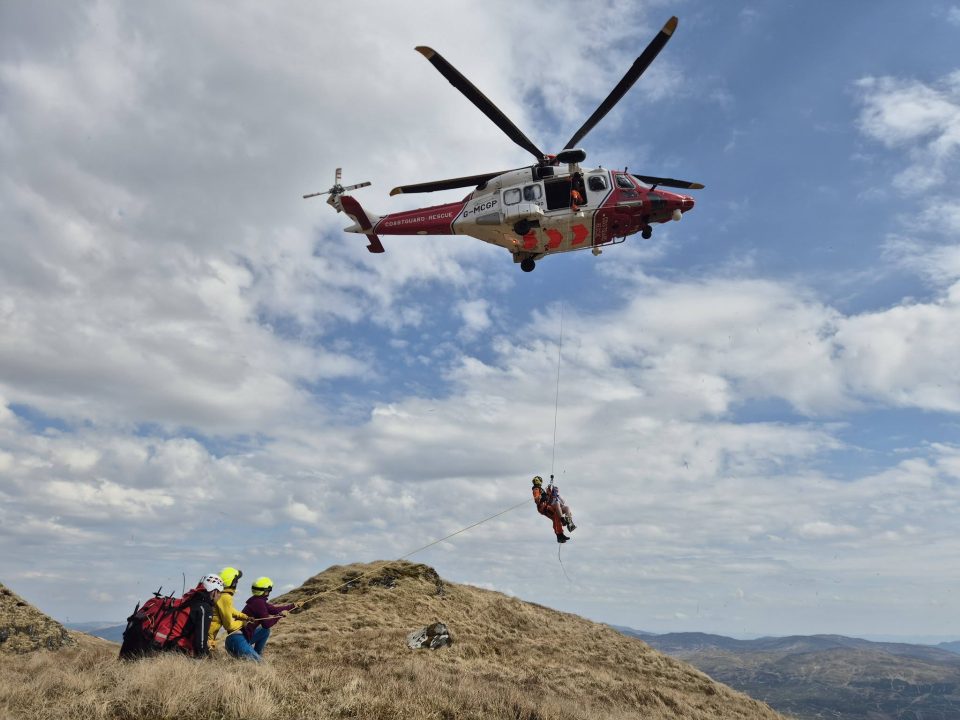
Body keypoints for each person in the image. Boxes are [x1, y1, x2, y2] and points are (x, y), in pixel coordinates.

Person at [209, 566, 261, 662]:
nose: (237, 583)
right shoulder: (225, 597)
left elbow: (231, 610)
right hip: (208, 637)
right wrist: (243, 623)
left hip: (208, 635)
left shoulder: (221, 595)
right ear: (232, 582)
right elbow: (229, 626)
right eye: (236, 581)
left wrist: (245, 617)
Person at [241, 577, 296, 656]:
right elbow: (266, 624)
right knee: (265, 630)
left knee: (265, 631)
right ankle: (256, 655)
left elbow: (274, 610)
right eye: (269, 589)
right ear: (265, 591)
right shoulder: (259, 603)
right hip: (242, 640)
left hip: (241, 637)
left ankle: (256, 654)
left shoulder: (256, 600)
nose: (270, 592)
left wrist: (293, 605)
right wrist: (279, 615)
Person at [187, 574, 224, 658]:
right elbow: (201, 643)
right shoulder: (205, 608)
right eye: (219, 592)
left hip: (167, 644)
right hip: (178, 648)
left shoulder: (191, 600)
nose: (219, 596)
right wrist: (208, 658)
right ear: (214, 592)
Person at [532, 475, 569, 543]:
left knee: (556, 516)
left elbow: (550, 486)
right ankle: (559, 535)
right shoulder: (536, 489)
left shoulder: (540, 489)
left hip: (546, 506)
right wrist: (539, 498)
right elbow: (537, 500)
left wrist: (551, 479)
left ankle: (560, 534)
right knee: (556, 516)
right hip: (544, 507)